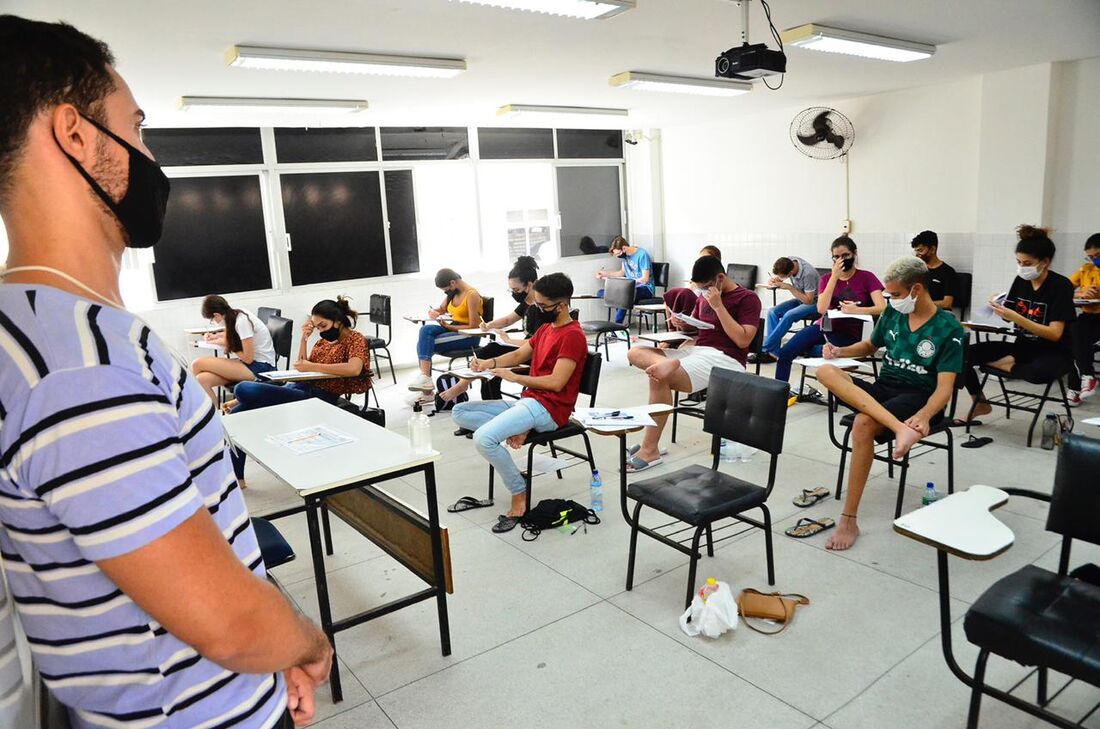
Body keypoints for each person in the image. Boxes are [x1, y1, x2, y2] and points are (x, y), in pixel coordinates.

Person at [0, 15, 330, 727]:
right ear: (76, 134)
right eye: (136, 128)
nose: (148, 155)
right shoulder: (79, 368)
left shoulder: (40, 331)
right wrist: (304, 640)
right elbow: (229, 622)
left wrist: (268, 668)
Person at [816, 257, 965, 550]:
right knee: (825, 371)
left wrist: (923, 416)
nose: (891, 300)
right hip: (886, 389)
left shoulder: (948, 328)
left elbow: (944, 389)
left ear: (917, 290)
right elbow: (870, 346)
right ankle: (899, 429)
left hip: (919, 396)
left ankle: (849, 519)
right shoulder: (893, 315)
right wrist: (839, 351)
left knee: (862, 422)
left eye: (895, 295)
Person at [451, 273, 589, 533]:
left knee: (483, 438)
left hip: (549, 409)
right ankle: (518, 428)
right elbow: (518, 353)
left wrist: (516, 377)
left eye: (541, 305)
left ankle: (519, 492)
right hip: (530, 402)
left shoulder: (572, 336)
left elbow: (557, 383)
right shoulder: (547, 328)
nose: (536, 309)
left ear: (561, 306)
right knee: (459, 411)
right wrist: (488, 364)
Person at [624, 255, 761, 472]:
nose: (704, 292)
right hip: (695, 350)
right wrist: (683, 325)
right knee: (635, 352)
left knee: (658, 376)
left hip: (725, 359)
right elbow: (699, 331)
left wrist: (719, 307)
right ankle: (665, 364)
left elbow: (743, 339)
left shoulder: (747, 298)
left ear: (720, 278)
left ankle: (650, 449)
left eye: (707, 287)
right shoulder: (704, 296)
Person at [227, 297, 371, 486]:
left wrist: (314, 366)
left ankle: (234, 477)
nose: (320, 330)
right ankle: (237, 478)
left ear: (337, 321)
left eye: (323, 325)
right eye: (317, 327)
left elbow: (354, 369)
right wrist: (304, 339)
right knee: (237, 415)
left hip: (318, 397)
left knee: (243, 389)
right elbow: (302, 365)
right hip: (300, 387)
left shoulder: (355, 339)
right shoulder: (322, 342)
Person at [961, 226, 1077, 421]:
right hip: (1023, 347)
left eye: (1027, 263)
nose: (1022, 267)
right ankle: (980, 402)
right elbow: (1010, 315)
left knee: (1039, 373)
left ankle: (1007, 366)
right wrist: (997, 307)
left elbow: (1055, 333)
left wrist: (1017, 318)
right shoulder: (1021, 280)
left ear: (1045, 262)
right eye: (1019, 262)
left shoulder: (1061, 286)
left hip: (1054, 351)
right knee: (961, 356)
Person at [440, 256, 555, 402]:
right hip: (525, 349)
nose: (514, 293)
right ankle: (489, 399)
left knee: (491, 350)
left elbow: (538, 342)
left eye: (516, 289)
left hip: (536, 353)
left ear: (530, 285)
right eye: (511, 290)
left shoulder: (543, 308)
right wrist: (489, 325)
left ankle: (465, 384)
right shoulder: (527, 303)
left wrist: (508, 339)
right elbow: (508, 319)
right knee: (489, 354)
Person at [774, 235, 885, 386]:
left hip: (851, 331)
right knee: (786, 352)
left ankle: (820, 352)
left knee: (825, 352)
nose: (841, 260)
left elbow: (882, 307)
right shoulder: (826, 279)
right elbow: (821, 308)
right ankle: (778, 396)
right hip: (824, 325)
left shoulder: (867, 277)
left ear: (854, 253)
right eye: (836, 257)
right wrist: (834, 277)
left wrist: (856, 310)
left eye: (845, 255)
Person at [190, 294, 277, 404]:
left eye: (212, 320)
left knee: (197, 364)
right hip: (250, 365)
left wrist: (229, 345)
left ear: (216, 315)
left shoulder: (242, 321)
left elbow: (248, 358)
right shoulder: (234, 315)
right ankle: (216, 418)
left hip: (261, 367)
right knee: (201, 380)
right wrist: (215, 336)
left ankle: (196, 404)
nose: (213, 322)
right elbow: (231, 335)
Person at [408, 267, 484, 392]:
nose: (445, 292)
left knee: (425, 343)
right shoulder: (453, 293)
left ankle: (426, 388)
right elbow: (441, 309)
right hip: (454, 330)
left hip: (469, 336)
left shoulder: (472, 295)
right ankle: (425, 380)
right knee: (425, 331)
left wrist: (449, 327)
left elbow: (474, 325)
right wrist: (433, 312)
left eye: (445, 289)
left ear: (452, 283)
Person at [759, 255, 821, 360]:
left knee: (789, 315)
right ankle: (774, 353)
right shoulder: (789, 261)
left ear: (791, 272)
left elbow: (809, 300)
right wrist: (776, 280)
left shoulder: (808, 274)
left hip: (815, 303)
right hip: (800, 299)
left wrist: (789, 288)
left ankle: (765, 349)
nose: (783, 278)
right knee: (772, 312)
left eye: (784, 276)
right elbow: (781, 276)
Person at [662, 245, 723, 339]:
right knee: (675, 294)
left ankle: (673, 337)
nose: (701, 263)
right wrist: (683, 324)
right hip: (695, 302)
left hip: (700, 301)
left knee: (684, 293)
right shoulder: (698, 278)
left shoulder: (717, 284)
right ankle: (673, 331)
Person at [1068, 233, 1100, 404]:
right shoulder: (1086, 270)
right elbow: (1064, 289)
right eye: (1091, 257)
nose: (1094, 260)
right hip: (1088, 316)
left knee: (1080, 341)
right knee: (1074, 334)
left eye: (1098, 256)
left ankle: (1075, 388)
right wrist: (1082, 293)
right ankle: (1087, 376)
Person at [595, 235, 654, 324]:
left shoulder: (642, 255)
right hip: (629, 288)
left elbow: (645, 279)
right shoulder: (625, 257)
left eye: (618, 254)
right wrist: (605, 274)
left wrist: (630, 283)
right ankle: (618, 328)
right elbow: (621, 273)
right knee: (602, 292)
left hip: (645, 288)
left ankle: (617, 325)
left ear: (624, 248)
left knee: (624, 294)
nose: (618, 256)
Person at [911, 230, 958, 310]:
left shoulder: (948, 272)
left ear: (932, 249)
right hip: (919, 312)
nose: (917, 255)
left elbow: (947, 303)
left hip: (939, 314)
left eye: (920, 250)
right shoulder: (917, 270)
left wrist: (922, 304)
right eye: (916, 251)